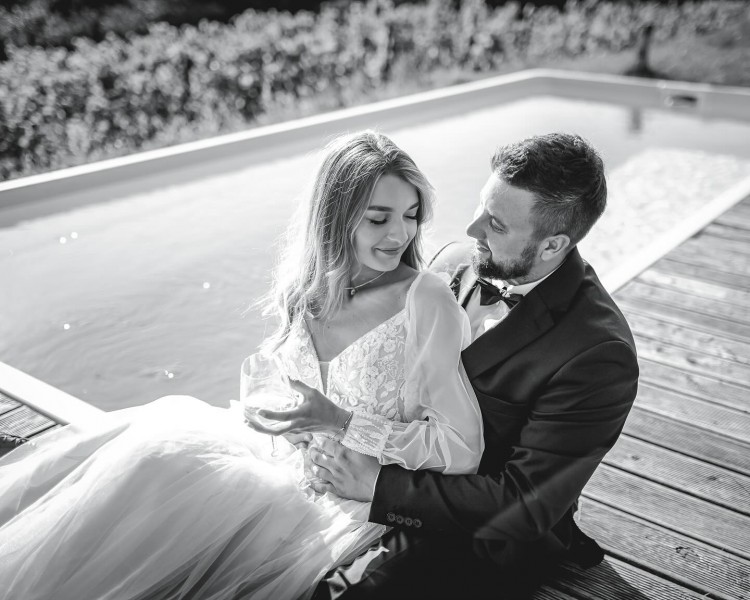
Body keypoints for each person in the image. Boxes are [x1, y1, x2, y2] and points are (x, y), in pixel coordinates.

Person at [0, 131, 484, 600]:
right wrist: (289, 423)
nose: (400, 234)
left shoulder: (423, 299)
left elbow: (463, 450)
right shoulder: (308, 290)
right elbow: (285, 387)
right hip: (281, 467)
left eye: (411, 215)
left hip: (348, 503)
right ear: (335, 219)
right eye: (378, 219)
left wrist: (341, 423)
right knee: (155, 457)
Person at [308, 133, 640, 599]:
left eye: (495, 224)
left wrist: (377, 484)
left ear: (552, 245)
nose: (471, 229)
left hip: (479, 531)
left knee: (335, 592)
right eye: (482, 207)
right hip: (378, 465)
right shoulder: (455, 262)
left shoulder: (598, 353)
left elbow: (523, 504)